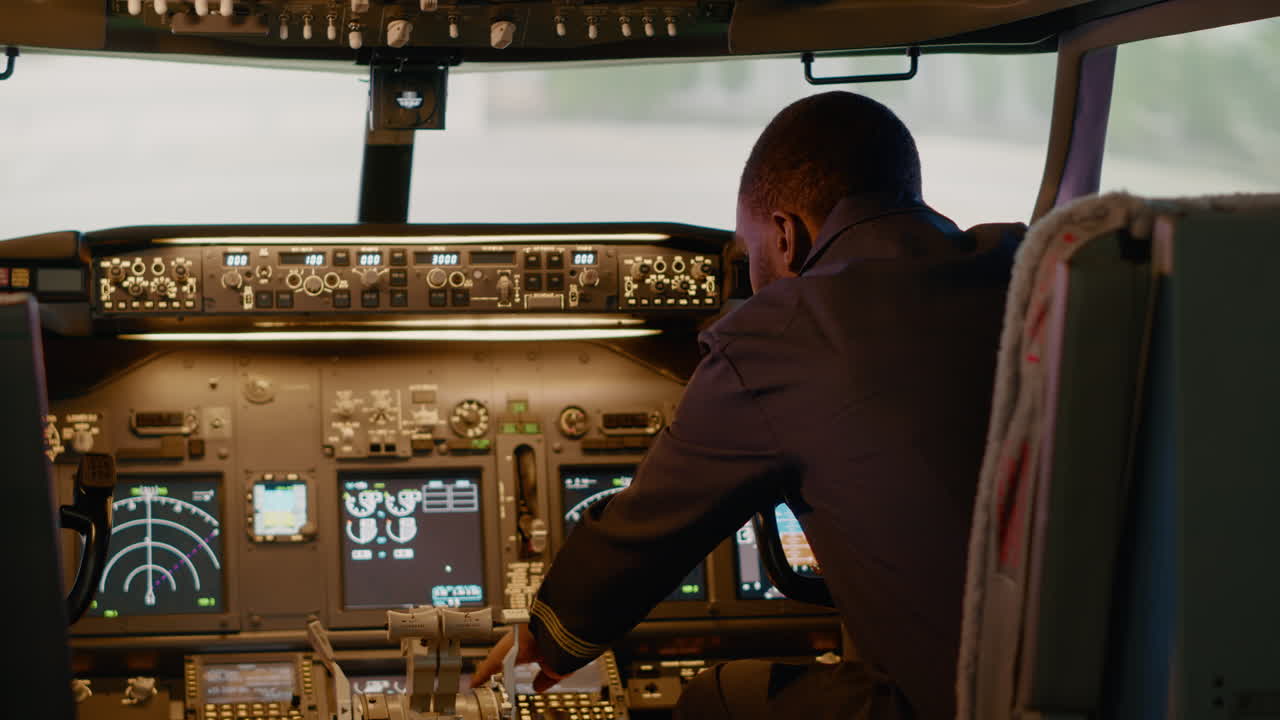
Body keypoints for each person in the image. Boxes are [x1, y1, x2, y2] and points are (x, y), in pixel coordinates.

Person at [471, 91, 1013, 719]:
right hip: (1111, 687)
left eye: (749, 252)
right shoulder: (1031, 270)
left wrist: (547, 641)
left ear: (785, 236)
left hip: (964, 703)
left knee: (717, 701)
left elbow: (648, 530)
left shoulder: (786, 331)